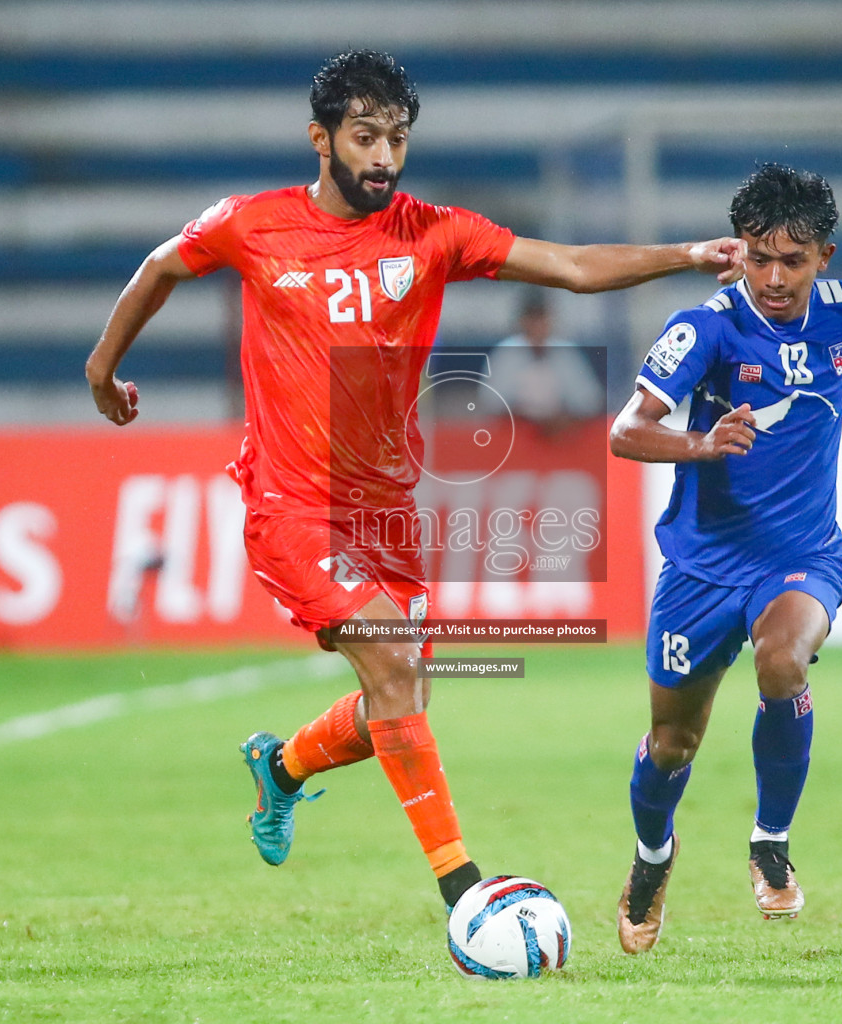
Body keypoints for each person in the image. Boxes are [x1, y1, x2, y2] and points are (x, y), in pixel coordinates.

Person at [85, 49, 746, 911]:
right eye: (366, 138)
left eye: (397, 139)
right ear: (320, 140)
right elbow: (162, 267)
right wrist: (103, 372)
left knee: (399, 695)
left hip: (386, 513)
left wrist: (690, 253)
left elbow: (575, 268)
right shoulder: (254, 226)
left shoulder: (433, 232)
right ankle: (467, 896)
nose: (384, 158)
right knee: (396, 667)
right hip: (289, 504)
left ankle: (280, 767)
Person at [607, 164, 842, 952]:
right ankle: (652, 856)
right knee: (672, 744)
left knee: (783, 663)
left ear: (824, 257)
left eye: (792, 261)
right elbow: (624, 432)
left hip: (802, 557)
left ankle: (770, 842)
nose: (773, 278)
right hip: (700, 569)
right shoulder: (706, 329)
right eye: (759, 258)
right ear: (738, 254)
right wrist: (700, 443)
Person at [486, 291, 605, 435]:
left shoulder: (565, 352)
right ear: (522, 321)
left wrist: (561, 418)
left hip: (559, 440)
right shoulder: (507, 353)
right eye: (532, 318)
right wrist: (535, 418)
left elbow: (589, 401)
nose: (537, 325)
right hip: (516, 437)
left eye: (541, 318)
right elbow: (492, 403)